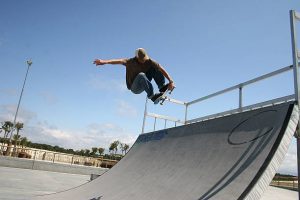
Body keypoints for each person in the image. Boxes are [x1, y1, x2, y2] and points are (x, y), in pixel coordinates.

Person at [93, 48, 175, 104]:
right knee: (141, 75)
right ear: (137, 57)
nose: (143, 61)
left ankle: (161, 86)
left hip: (145, 82)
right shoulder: (130, 62)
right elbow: (117, 61)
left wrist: (171, 81)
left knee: (155, 68)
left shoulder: (149, 61)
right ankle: (152, 96)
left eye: (144, 59)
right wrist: (104, 61)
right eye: (141, 59)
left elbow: (161, 68)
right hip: (135, 87)